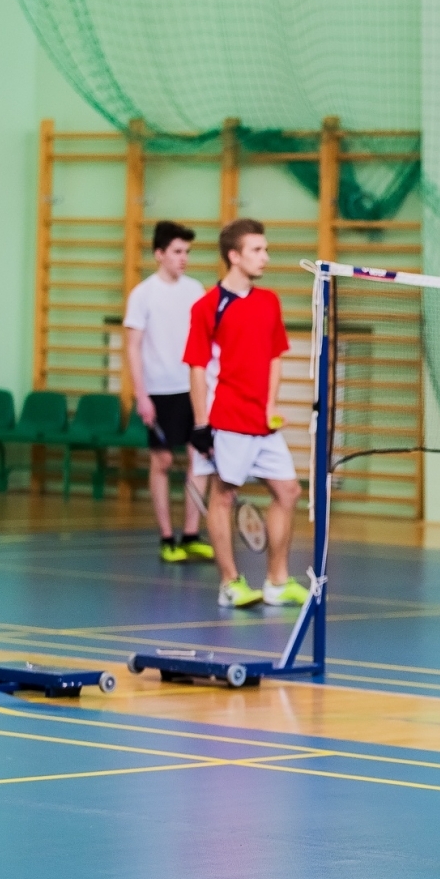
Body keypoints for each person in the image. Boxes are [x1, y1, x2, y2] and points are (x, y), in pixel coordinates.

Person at [183, 218, 309, 610]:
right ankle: (229, 583)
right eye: (257, 250)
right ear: (233, 256)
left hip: (261, 422)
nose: (265, 257)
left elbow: (274, 357)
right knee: (223, 496)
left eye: (266, 249)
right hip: (228, 419)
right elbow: (198, 368)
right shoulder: (208, 307)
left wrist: (271, 404)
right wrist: (201, 424)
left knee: (288, 491)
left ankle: (276, 581)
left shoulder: (269, 301)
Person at [124, 220, 212, 564]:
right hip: (159, 391)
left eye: (187, 252)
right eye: (177, 252)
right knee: (161, 461)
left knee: (199, 459)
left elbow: (205, 342)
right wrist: (141, 395)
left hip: (192, 388)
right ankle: (166, 538)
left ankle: (191, 534)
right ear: (159, 254)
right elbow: (133, 348)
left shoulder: (196, 289)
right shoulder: (142, 294)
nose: (183, 258)